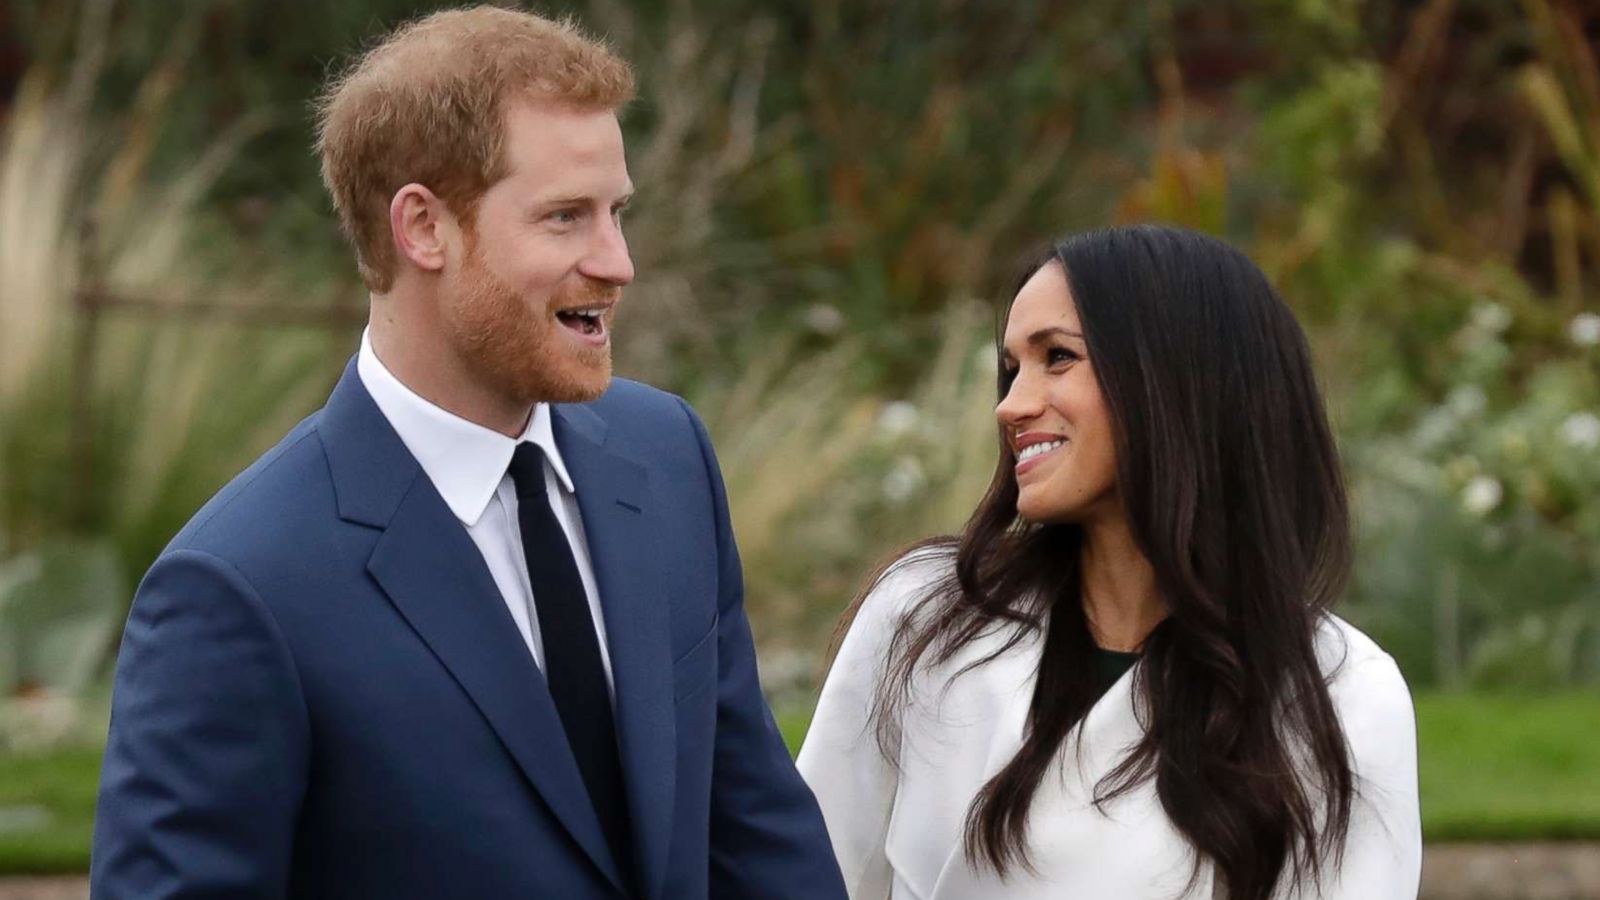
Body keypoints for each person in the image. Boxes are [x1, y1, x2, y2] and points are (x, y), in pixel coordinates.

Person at [90, 8, 846, 899]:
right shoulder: (239, 589)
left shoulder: (668, 459)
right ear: (423, 228)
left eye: (616, 212)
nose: (618, 262)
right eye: (566, 217)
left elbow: (754, 835)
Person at [798, 225, 1421, 900]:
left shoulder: (1340, 693)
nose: (1012, 405)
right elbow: (804, 872)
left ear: (1178, 380)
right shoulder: (926, 617)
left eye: (1057, 358)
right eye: (1011, 369)